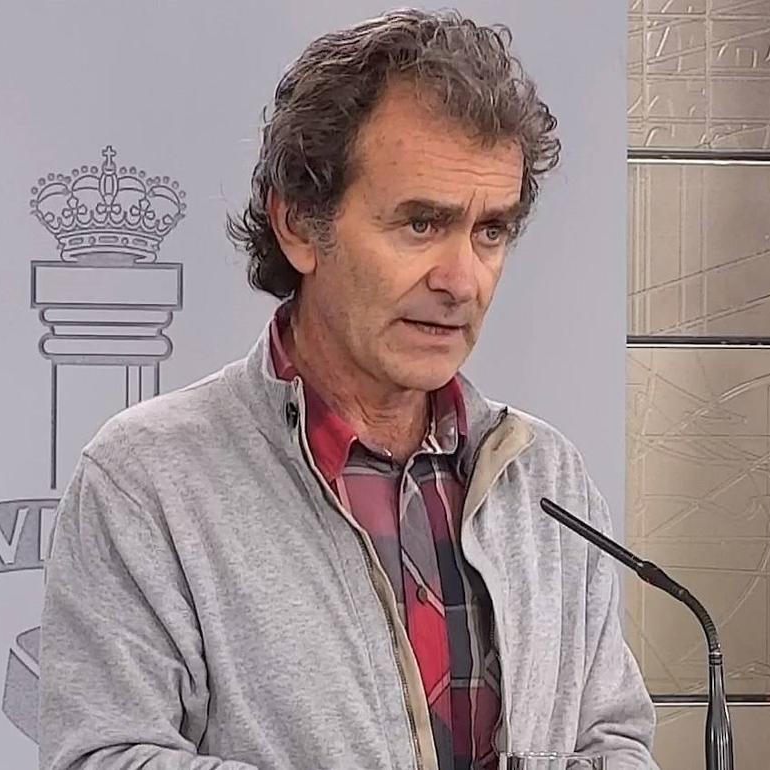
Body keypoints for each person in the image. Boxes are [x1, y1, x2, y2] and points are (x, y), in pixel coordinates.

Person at [39, 8, 657, 770]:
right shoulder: (148, 479)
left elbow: (614, 738)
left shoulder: (544, 477)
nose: (462, 280)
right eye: (421, 224)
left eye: (490, 231)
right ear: (300, 225)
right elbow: (104, 756)